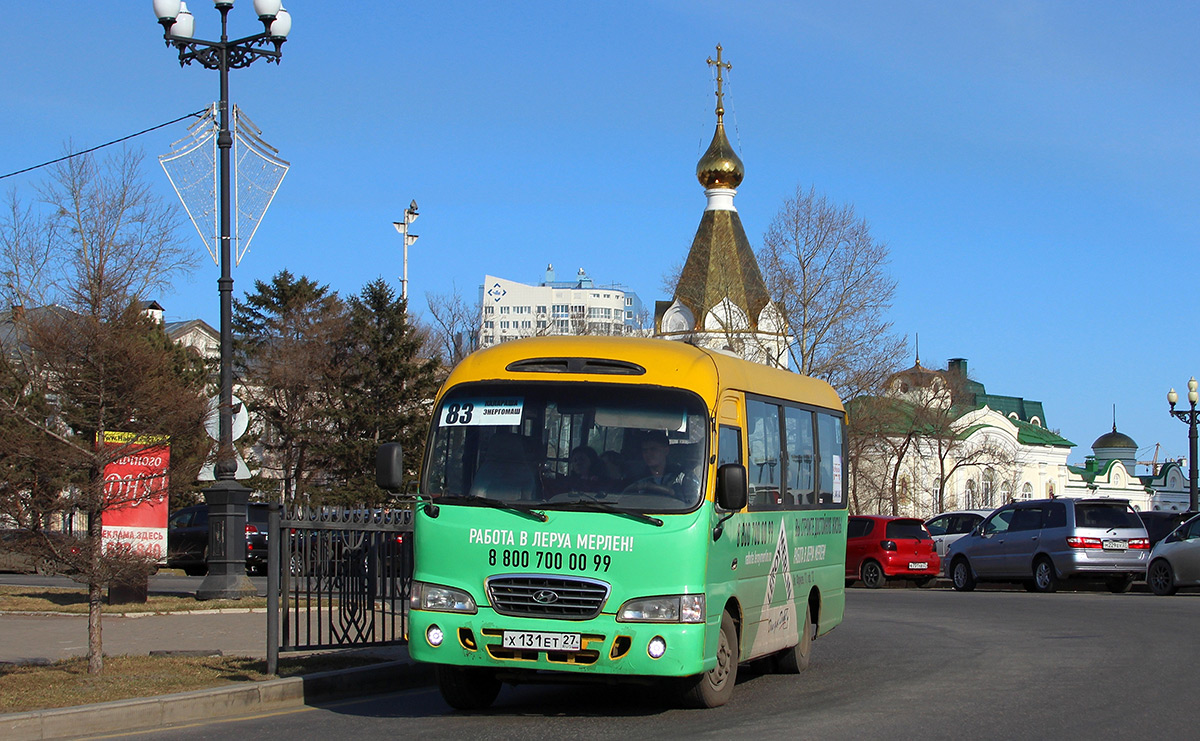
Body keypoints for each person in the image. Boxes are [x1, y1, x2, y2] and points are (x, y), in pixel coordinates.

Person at [625, 431, 699, 503]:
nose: (648, 454)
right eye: (645, 450)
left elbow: (692, 501)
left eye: (653, 449)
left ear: (666, 451)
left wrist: (652, 487)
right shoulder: (636, 477)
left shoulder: (683, 476)